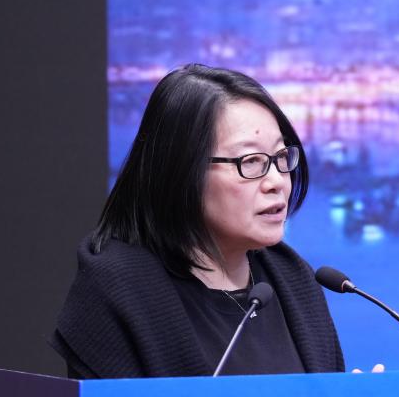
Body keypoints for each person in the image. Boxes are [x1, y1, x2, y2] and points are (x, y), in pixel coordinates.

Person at [51, 64, 345, 378]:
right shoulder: (119, 290)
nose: (277, 181)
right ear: (181, 171)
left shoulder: (293, 277)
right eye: (250, 161)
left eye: (281, 157)